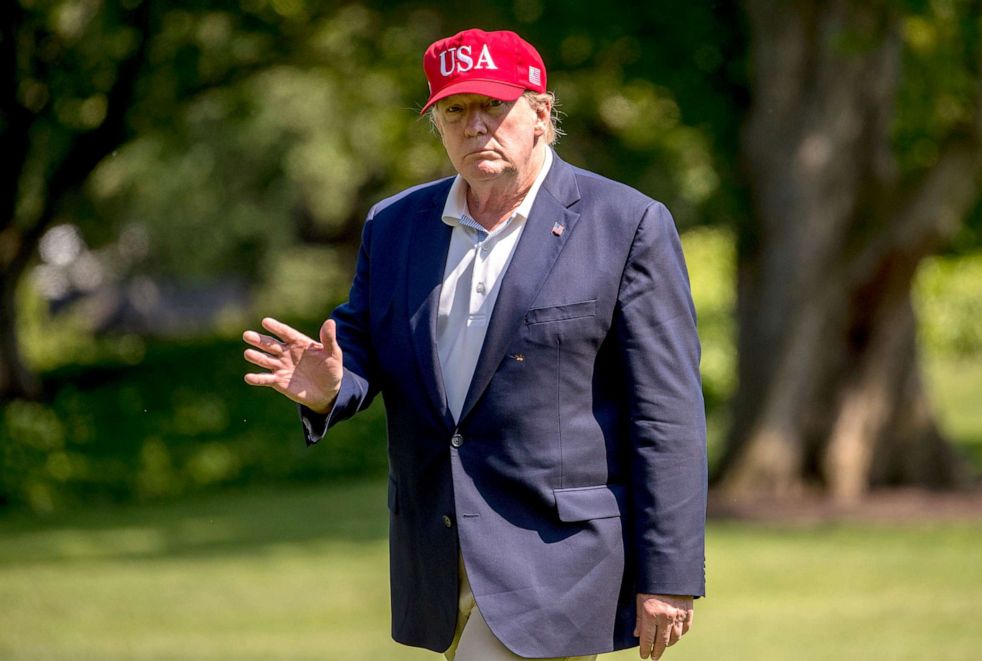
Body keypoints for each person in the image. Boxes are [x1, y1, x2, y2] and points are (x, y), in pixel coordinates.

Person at [243, 28, 706, 661]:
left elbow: (667, 414)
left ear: (541, 114)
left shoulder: (626, 223)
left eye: (495, 106)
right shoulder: (395, 224)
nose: (475, 126)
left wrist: (669, 577)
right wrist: (332, 388)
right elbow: (362, 347)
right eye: (455, 110)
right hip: (434, 554)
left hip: (556, 561)